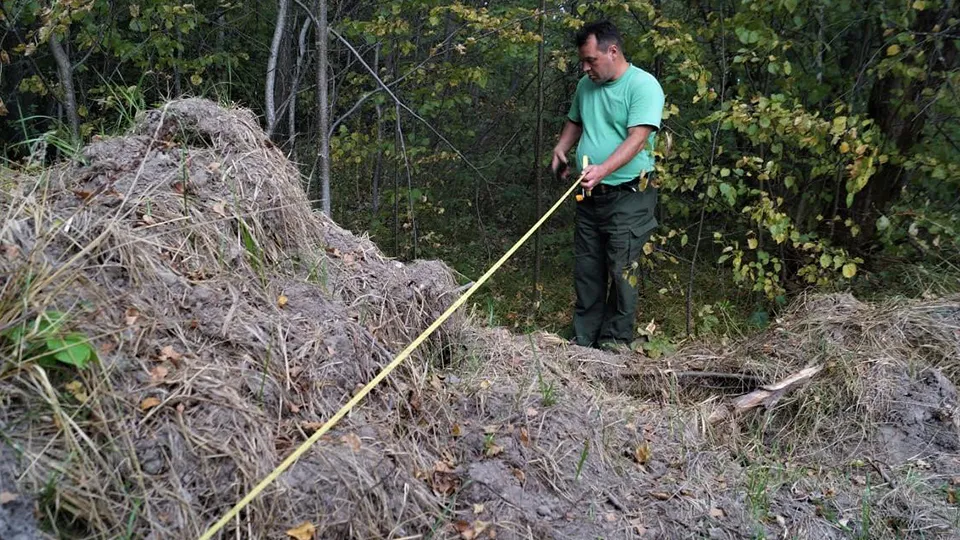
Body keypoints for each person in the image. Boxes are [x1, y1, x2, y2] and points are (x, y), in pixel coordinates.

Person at [551, 21, 665, 351]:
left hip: (629, 196)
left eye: (591, 60)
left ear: (612, 51)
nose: (586, 68)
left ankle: (614, 345)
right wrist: (561, 148)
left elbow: (637, 139)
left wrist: (603, 169)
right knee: (587, 269)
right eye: (583, 62)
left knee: (621, 269)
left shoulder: (643, 86)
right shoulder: (586, 86)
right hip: (590, 196)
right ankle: (583, 342)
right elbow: (575, 121)